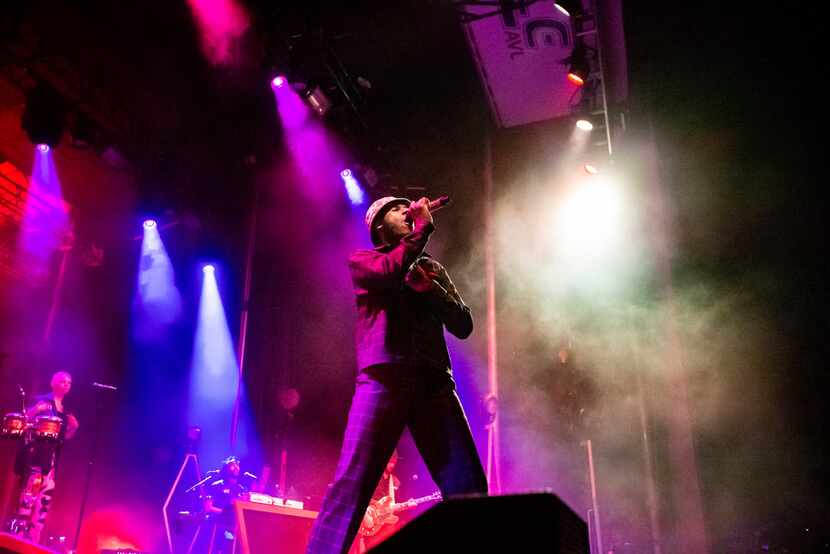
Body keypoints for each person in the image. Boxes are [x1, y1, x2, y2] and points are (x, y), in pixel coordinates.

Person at [305, 196, 488, 554]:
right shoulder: (365, 261)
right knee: (352, 482)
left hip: (433, 382)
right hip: (383, 378)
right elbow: (390, 273)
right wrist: (422, 230)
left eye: (408, 208)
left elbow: (463, 324)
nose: (406, 212)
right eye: (396, 209)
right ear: (378, 226)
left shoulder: (430, 267)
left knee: (468, 486)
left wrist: (431, 290)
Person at [8, 371, 79, 542]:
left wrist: (73, 428)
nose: (66, 384)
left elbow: (63, 439)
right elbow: (24, 421)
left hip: (51, 462)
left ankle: (33, 541)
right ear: (53, 383)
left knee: (43, 505)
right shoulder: (42, 400)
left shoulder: (66, 411)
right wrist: (35, 410)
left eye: (69, 382)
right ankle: (15, 540)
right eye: (63, 381)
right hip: (36, 458)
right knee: (27, 500)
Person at [202, 456, 247, 554]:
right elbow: (208, 508)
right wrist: (225, 513)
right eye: (232, 465)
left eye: (237, 465)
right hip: (219, 524)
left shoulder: (240, 489)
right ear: (226, 468)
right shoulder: (217, 485)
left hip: (235, 526)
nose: (236, 467)